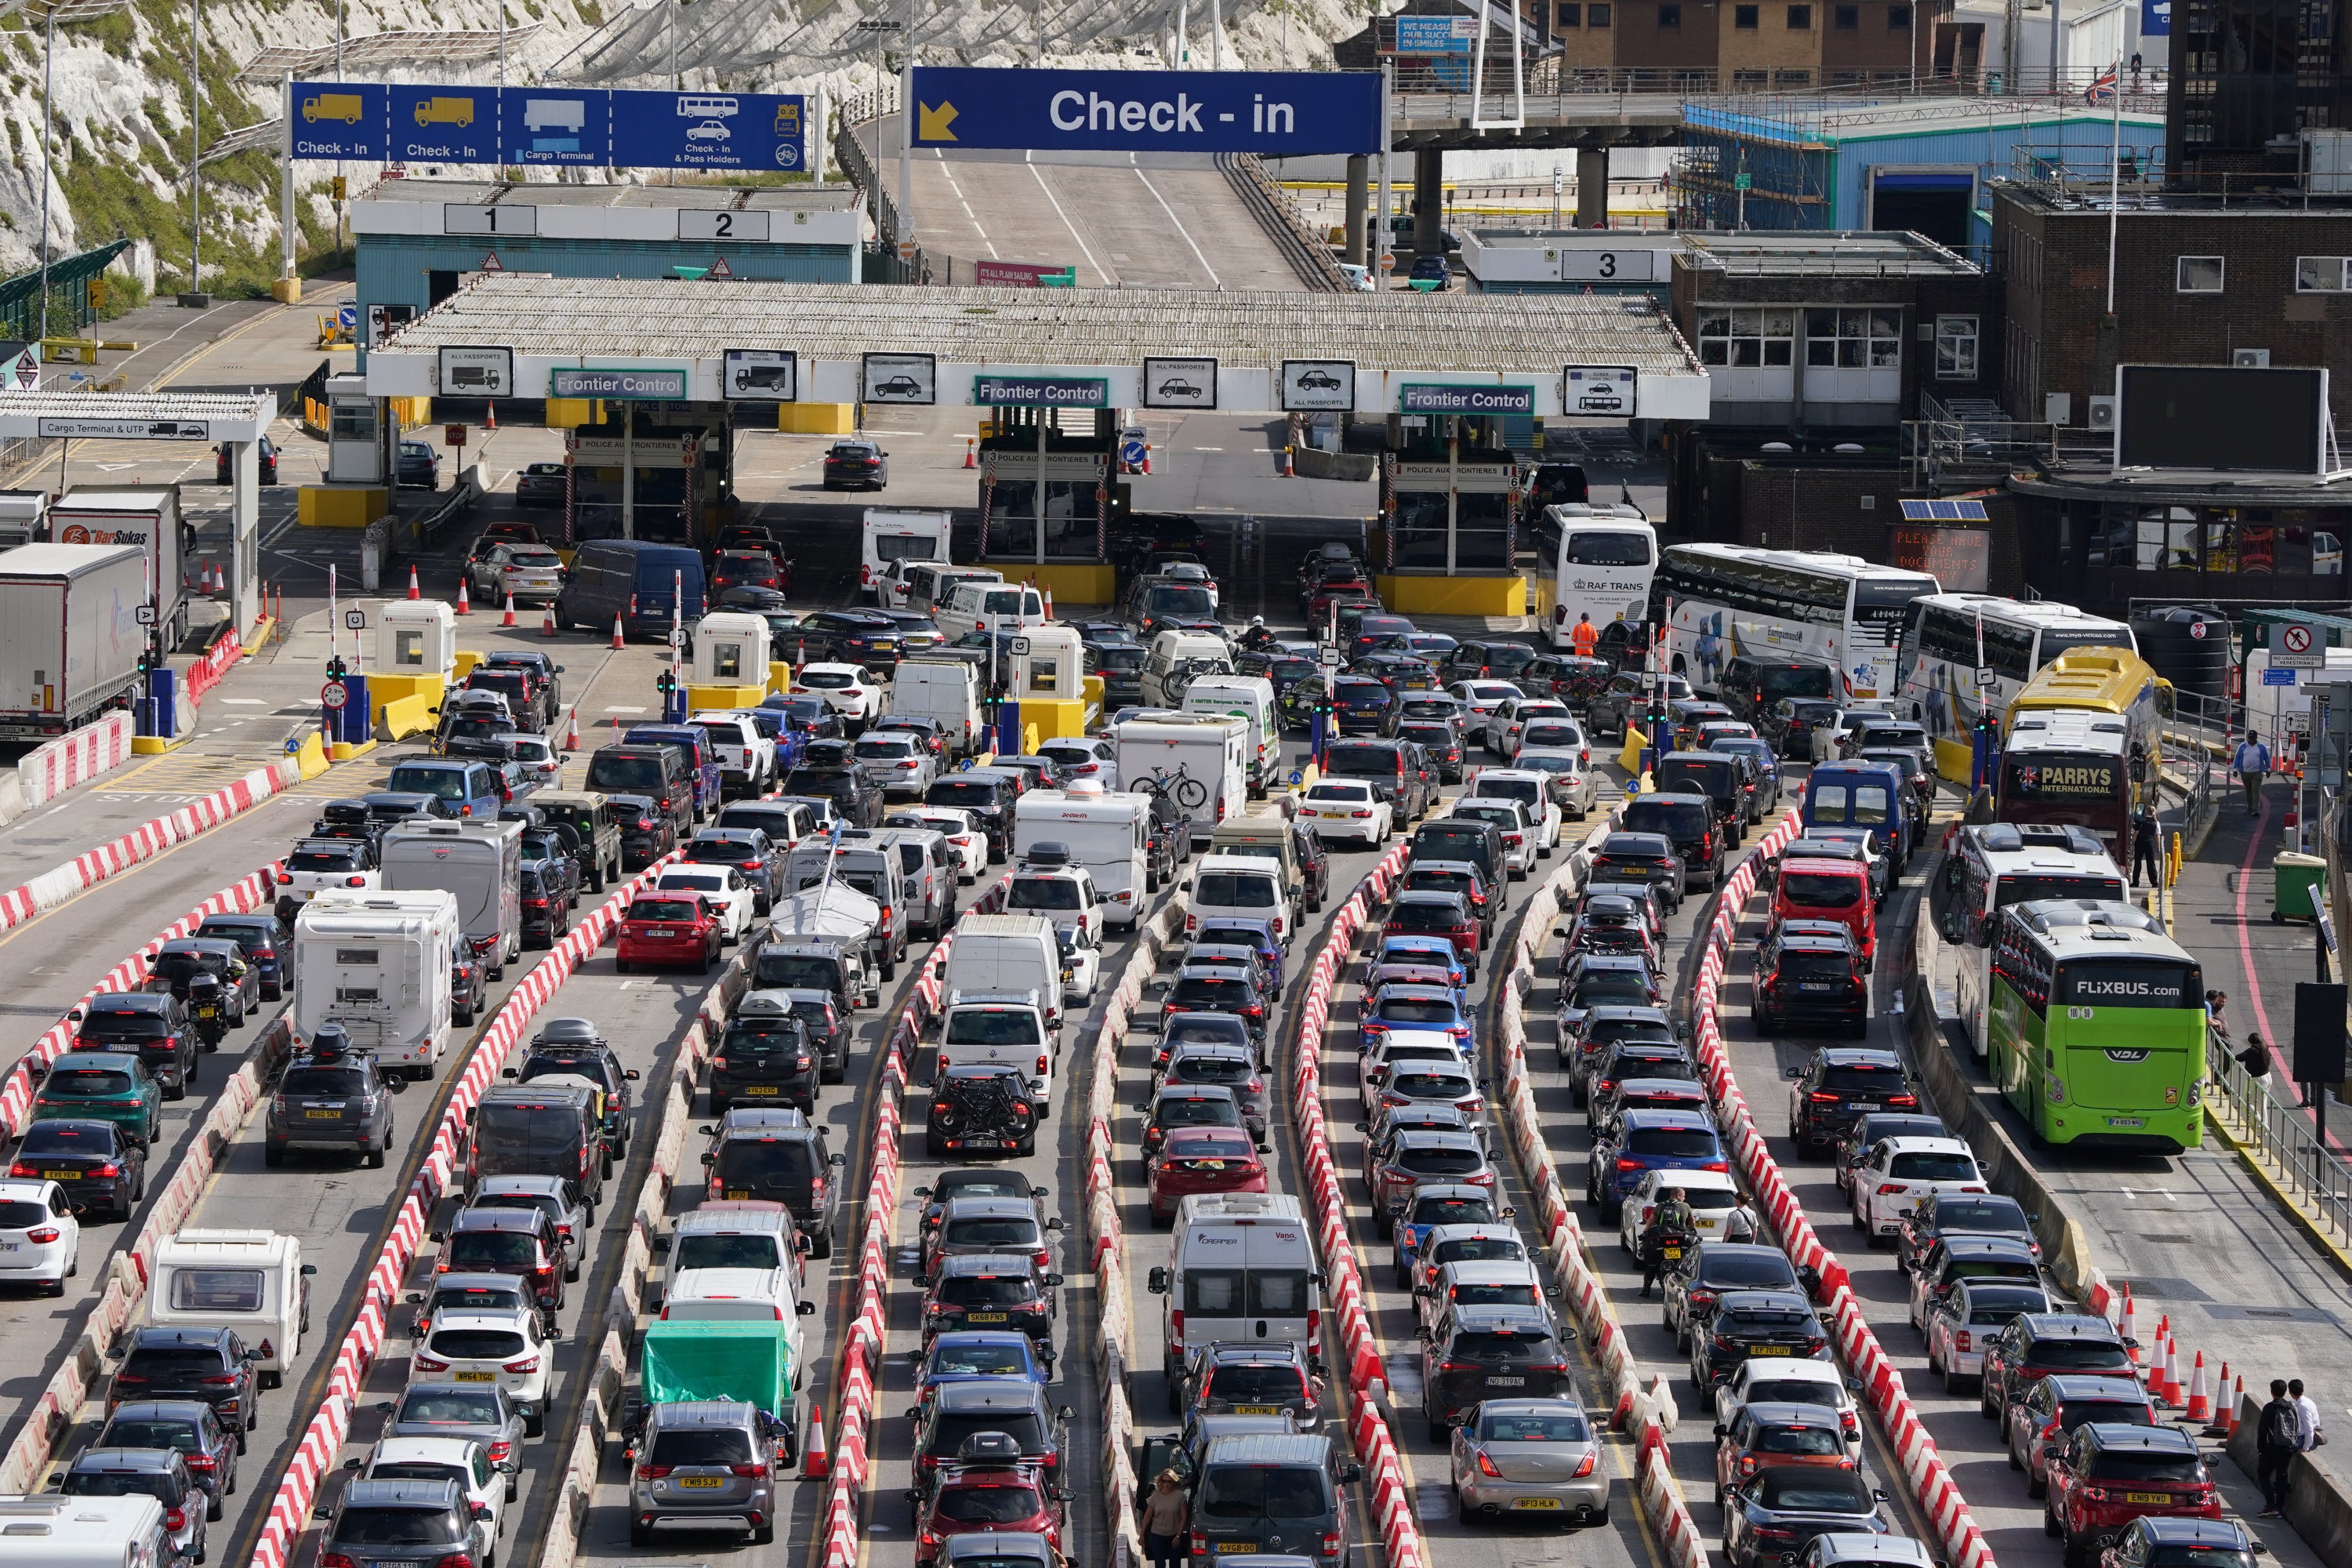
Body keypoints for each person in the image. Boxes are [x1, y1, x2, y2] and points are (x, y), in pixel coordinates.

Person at [1639, 1186, 1697, 1298]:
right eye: (1683, 1196)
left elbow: (1650, 1221)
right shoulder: (1685, 1206)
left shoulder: (1660, 1205)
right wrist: (1692, 1230)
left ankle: (1646, 1290)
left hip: (1662, 1237)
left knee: (1651, 1263)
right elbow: (1692, 1221)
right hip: (1680, 1237)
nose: (1684, 1199)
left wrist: (1646, 1232)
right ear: (1679, 1195)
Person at [2259, 1378, 2301, 1515]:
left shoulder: (2270, 1408)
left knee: (2263, 1474)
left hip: (2273, 1448)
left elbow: (2262, 1430)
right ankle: (2279, 1508)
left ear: (2272, 1392)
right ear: (2285, 1392)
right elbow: (2297, 1428)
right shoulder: (2291, 1407)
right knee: (2281, 1477)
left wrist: (2261, 1449)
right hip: (2288, 1448)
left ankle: (2270, 1505)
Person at [1140, 1468, 1189, 1566]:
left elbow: (1184, 1517)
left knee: (1175, 1564)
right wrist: (1142, 1535)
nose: (1166, 1484)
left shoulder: (1180, 1496)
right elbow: (1147, 1516)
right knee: (1160, 1564)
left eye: (1169, 1482)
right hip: (1157, 1536)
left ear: (1174, 1482)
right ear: (1160, 1482)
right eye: (1164, 1481)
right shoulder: (1155, 1496)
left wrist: (1178, 1536)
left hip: (1174, 1536)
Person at [2234, 732, 2273, 815]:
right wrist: (2235, 769)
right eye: (2249, 738)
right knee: (2248, 791)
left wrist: (2268, 769)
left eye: (2252, 738)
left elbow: (2267, 758)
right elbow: (2237, 757)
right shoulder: (2242, 746)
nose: (2251, 739)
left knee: (2256, 791)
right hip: (2245, 773)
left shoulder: (2261, 747)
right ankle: (2249, 808)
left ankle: (2255, 810)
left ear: (2256, 738)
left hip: (2257, 773)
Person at [2132, 801, 2163, 887]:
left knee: (2137, 862)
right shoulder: (2156, 823)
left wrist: (2132, 842)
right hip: (2150, 842)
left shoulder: (2141, 821)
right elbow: (2157, 836)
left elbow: (2136, 833)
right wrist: (2158, 847)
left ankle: (2135, 882)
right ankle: (2154, 882)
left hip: (2140, 842)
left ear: (2147, 812)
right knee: (2151, 862)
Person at [2293, 1377, 2325, 1449]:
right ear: (2303, 1390)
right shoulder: (2309, 1401)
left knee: (2284, 1447)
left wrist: (2306, 1447)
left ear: (2290, 1393)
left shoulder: (2302, 1406)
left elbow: (2309, 1428)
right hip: (2314, 1435)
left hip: (2307, 1439)